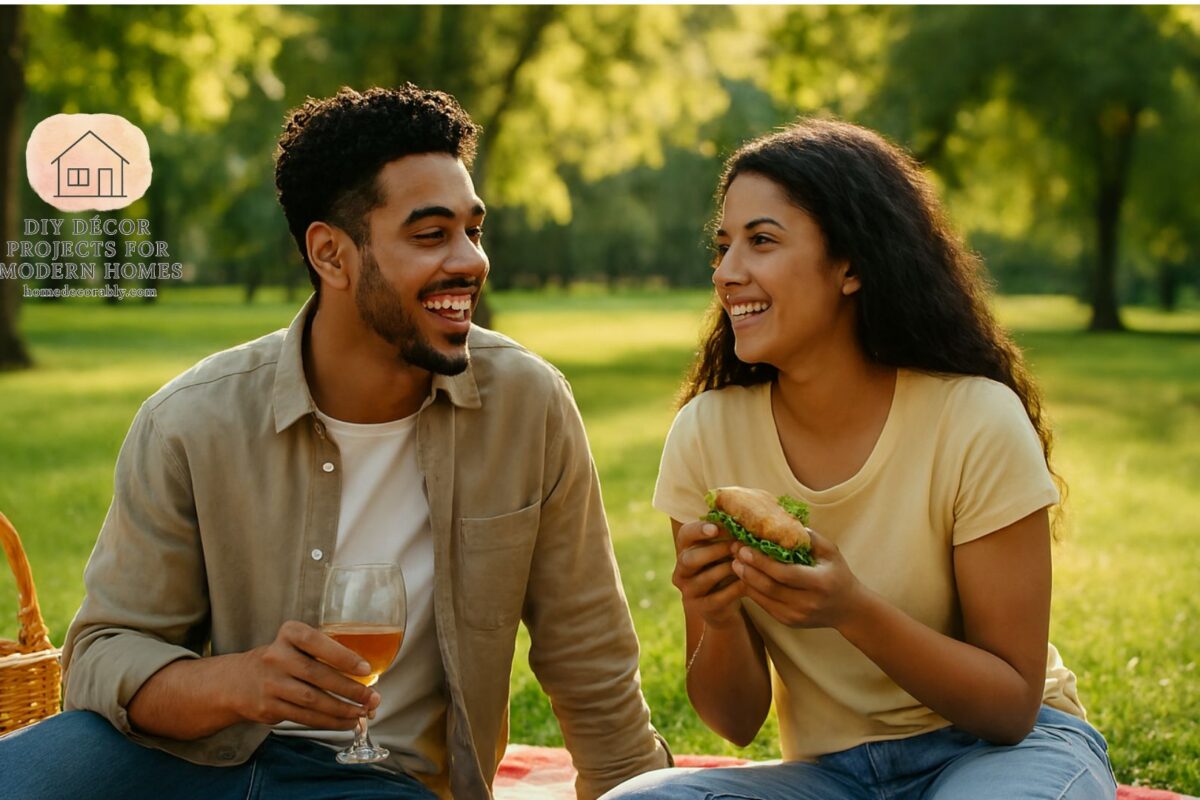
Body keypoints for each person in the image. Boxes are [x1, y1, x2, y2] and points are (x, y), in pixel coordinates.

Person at [0, 85, 670, 800]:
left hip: (380, 781)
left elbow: (588, 659)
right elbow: (101, 655)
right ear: (332, 254)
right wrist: (242, 682)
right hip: (187, 762)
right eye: (430, 234)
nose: (470, 260)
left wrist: (639, 788)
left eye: (473, 230)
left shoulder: (526, 407)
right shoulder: (192, 421)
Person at [604, 120, 1116, 800]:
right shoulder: (707, 435)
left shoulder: (974, 420)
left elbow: (1010, 705)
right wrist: (719, 617)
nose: (727, 274)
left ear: (851, 266)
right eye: (723, 246)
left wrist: (851, 610)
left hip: (1004, 753)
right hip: (833, 777)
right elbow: (734, 721)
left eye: (761, 241)